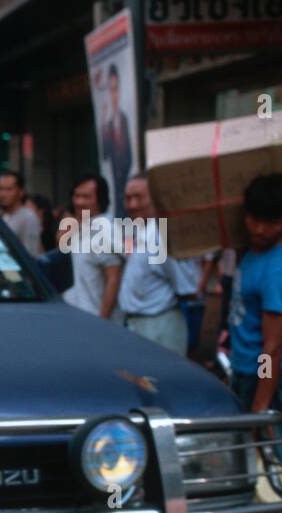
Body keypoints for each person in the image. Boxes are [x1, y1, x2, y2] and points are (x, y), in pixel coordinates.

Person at [228, 172, 282, 469]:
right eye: (254, 218)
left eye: (271, 222)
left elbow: (272, 348)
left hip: (266, 376)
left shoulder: (276, 271)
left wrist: (261, 404)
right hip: (248, 371)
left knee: (275, 459)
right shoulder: (253, 252)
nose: (259, 229)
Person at [116, 174, 200, 354]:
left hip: (159, 327)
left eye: (139, 197)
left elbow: (188, 290)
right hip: (138, 325)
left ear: (155, 198)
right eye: (128, 198)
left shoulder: (163, 234)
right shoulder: (143, 231)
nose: (132, 205)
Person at [61, 172, 123, 320]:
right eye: (77, 196)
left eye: (86, 197)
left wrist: (103, 321)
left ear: (100, 200)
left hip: (96, 323)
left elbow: (114, 279)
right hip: (79, 320)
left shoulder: (106, 230)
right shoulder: (83, 227)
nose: (79, 202)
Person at [98, 64, 133, 203]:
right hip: (114, 195)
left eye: (116, 89)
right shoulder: (107, 125)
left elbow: (130, 156)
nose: (114, 95)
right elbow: (105, 154)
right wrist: (102, 122)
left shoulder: (125, 119)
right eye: (111, 90)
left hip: (125, 187)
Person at [0, 171, 42, 254]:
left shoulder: (29, 218)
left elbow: (31, 253)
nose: (3, 194)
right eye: (0, 189)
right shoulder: (4, 215)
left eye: (9, 189)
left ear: (20, 192)